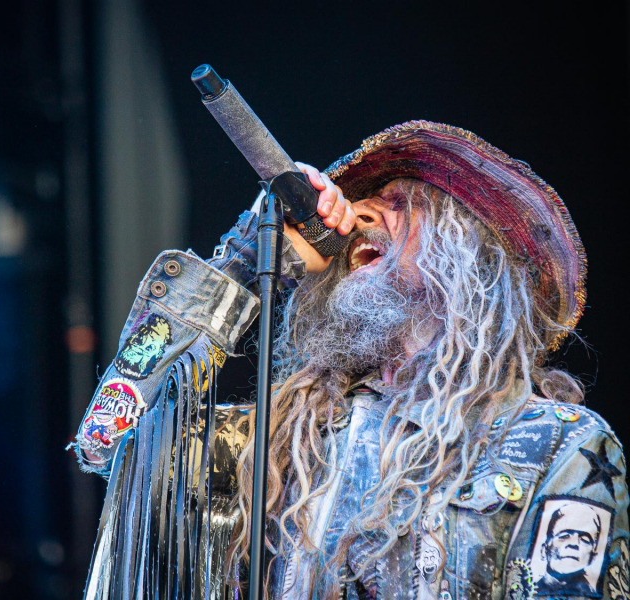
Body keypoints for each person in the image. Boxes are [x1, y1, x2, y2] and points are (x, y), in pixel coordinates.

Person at [70, 120, 629, 599]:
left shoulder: (554, 443)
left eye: (400, 205)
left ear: (468, 259)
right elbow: (108, 438)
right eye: (362, 201)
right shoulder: (274, 440)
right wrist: (248, 258)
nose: (358, 213)